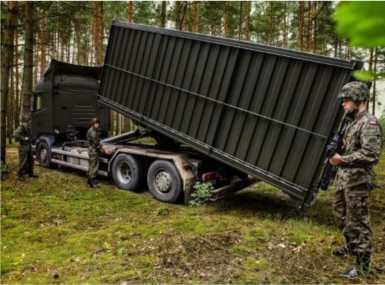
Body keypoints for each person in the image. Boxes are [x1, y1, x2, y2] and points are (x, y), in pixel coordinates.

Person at [329, 81, 382, 278]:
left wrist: (343, 159)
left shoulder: (369, 123)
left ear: (358, 99)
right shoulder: (352, 122)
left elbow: (371, 154)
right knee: (340, 214)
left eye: (347, 99)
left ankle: (362, 265)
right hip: (345, 179)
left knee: (359, 221)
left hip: (357, 181)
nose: (343, 103)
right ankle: (351, 246)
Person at [86, 118, 109, 188]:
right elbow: (96, 143)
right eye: (96, 123)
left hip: (92, 150)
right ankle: (92, 182)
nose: (97, 125)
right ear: (93, 124)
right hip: (93, 151)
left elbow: (97, 140)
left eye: (98, 123)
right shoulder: (92, 132)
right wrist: (103, 149)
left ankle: (89, 180)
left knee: (91, 165)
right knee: (94, 166)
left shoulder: (93, 130)